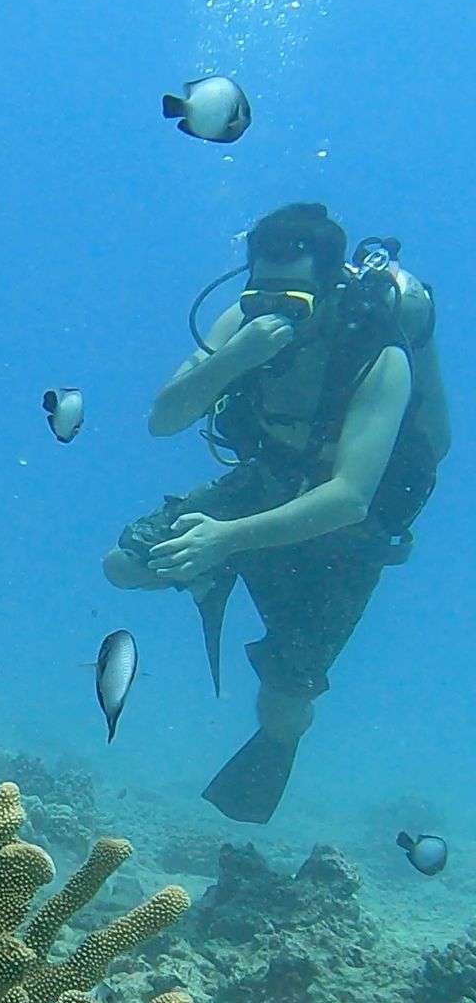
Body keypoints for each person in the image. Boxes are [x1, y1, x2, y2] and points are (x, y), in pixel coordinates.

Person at [104, 202, 448, 823]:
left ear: (332, 286)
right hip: (265, 484)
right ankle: (212, 574)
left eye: (295, 296)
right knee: (123, 566)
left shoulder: (378, 352)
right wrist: (235, 356)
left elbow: (349, 498)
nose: (276, 309)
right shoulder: (247, 318)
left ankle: (271, 751)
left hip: (346, 533)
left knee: (283, 703)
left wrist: (225, 539)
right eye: (261, 291)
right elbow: (163, 421)